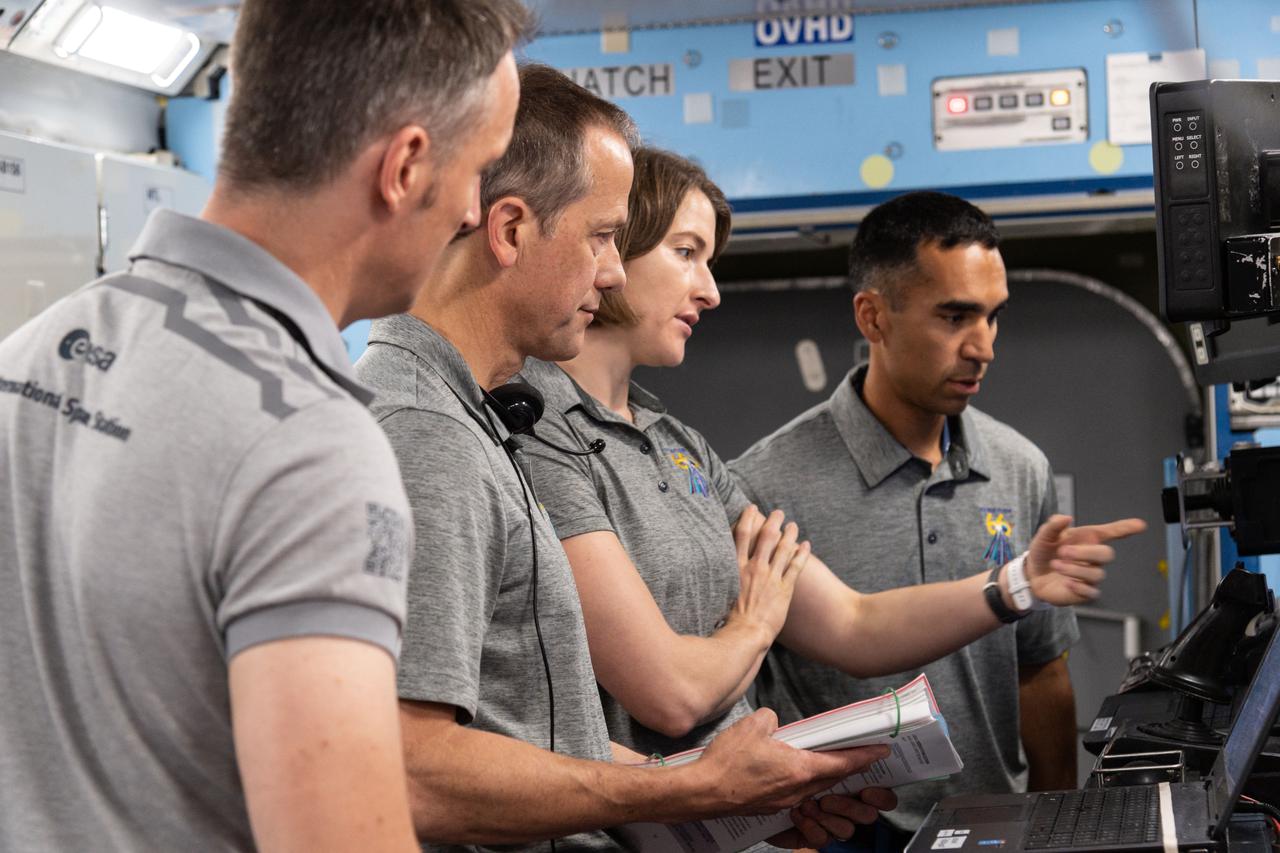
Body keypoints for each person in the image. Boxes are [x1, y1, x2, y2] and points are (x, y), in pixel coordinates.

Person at [0, 1, 528, 850]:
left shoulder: (28, 354)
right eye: (482, 168)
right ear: (404, 167)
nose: (473, 212)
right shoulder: (308, 445)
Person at [354, 65, 888, 853]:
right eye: (603, 236)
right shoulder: (427, 435)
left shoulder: (476, 418)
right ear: (508, 231)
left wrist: (739, 798)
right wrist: (688, 786)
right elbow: (417, 771)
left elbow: (530, 727)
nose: (612, 273)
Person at [517, 150, 1142, 814]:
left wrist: (1012, 584)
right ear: (609, 250)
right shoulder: (538, 432)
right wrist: (756, 624)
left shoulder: (683, 447)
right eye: (686, 253)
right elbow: (670, 692)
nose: (710, 290)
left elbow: (851, 622)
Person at [730, 190, 1106, 848]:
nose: (983, 346)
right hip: (843, 835)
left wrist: (1057, 827)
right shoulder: (763, 485)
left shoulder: (1020, 468)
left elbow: (1041, 672)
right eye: (955, 316)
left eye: (993, 317)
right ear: (874, 317)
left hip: (996, 827)